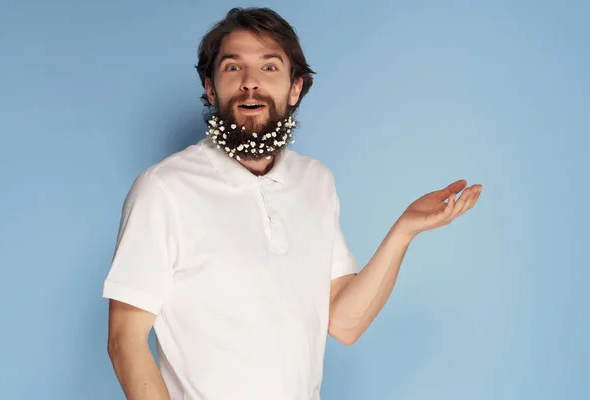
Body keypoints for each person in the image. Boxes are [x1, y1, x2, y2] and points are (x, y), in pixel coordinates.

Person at [102, 7, 482, 400]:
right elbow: (124, 341)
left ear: (295, 87)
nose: (251, 83)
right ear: (211, 87)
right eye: (233, 68)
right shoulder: (163, 189)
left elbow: (344, 324)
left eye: (269, 68)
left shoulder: (316, 181)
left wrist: (404, 230)